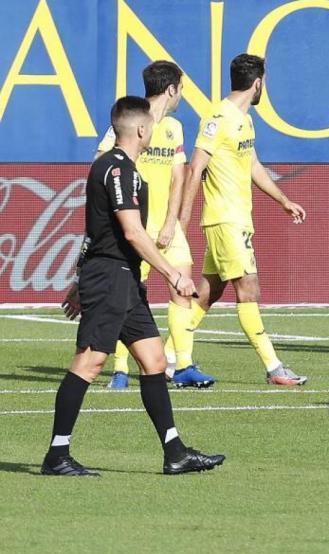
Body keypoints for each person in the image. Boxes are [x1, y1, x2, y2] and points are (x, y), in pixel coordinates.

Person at [43, 96, 224, 476]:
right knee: (89, 363)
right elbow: (132, 231)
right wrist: (172, 273)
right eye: (150, 127)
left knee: (155, 360)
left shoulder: (120, 169)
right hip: (111, 278)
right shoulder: (117, 169)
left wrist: (79, 279)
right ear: (142, 129)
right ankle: (57, 455)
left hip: (121, 277)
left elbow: (95, 231)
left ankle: (175, 453)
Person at [69, 60, 216, 390]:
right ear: (171, 89)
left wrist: (172, 221)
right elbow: (102, 163)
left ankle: (184, 364)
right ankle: (120, 369)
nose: (182, 98)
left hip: (165, 224)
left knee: (184, 286)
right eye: (182, 91)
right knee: (129, 293)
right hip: (133, 222)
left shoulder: (174, 128)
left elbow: (179, 175)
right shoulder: (132, 120)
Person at [178, 54, 308, 386]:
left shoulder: (245, 120)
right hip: (225, 219)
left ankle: (170, 356)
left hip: (237, 219)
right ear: (258, 83)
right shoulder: (218, 117)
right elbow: (196, 167)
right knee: (249, 289)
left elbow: (252, 165)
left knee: (209, 293)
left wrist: (283, 199)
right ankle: (274, 368)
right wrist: (183, 216)